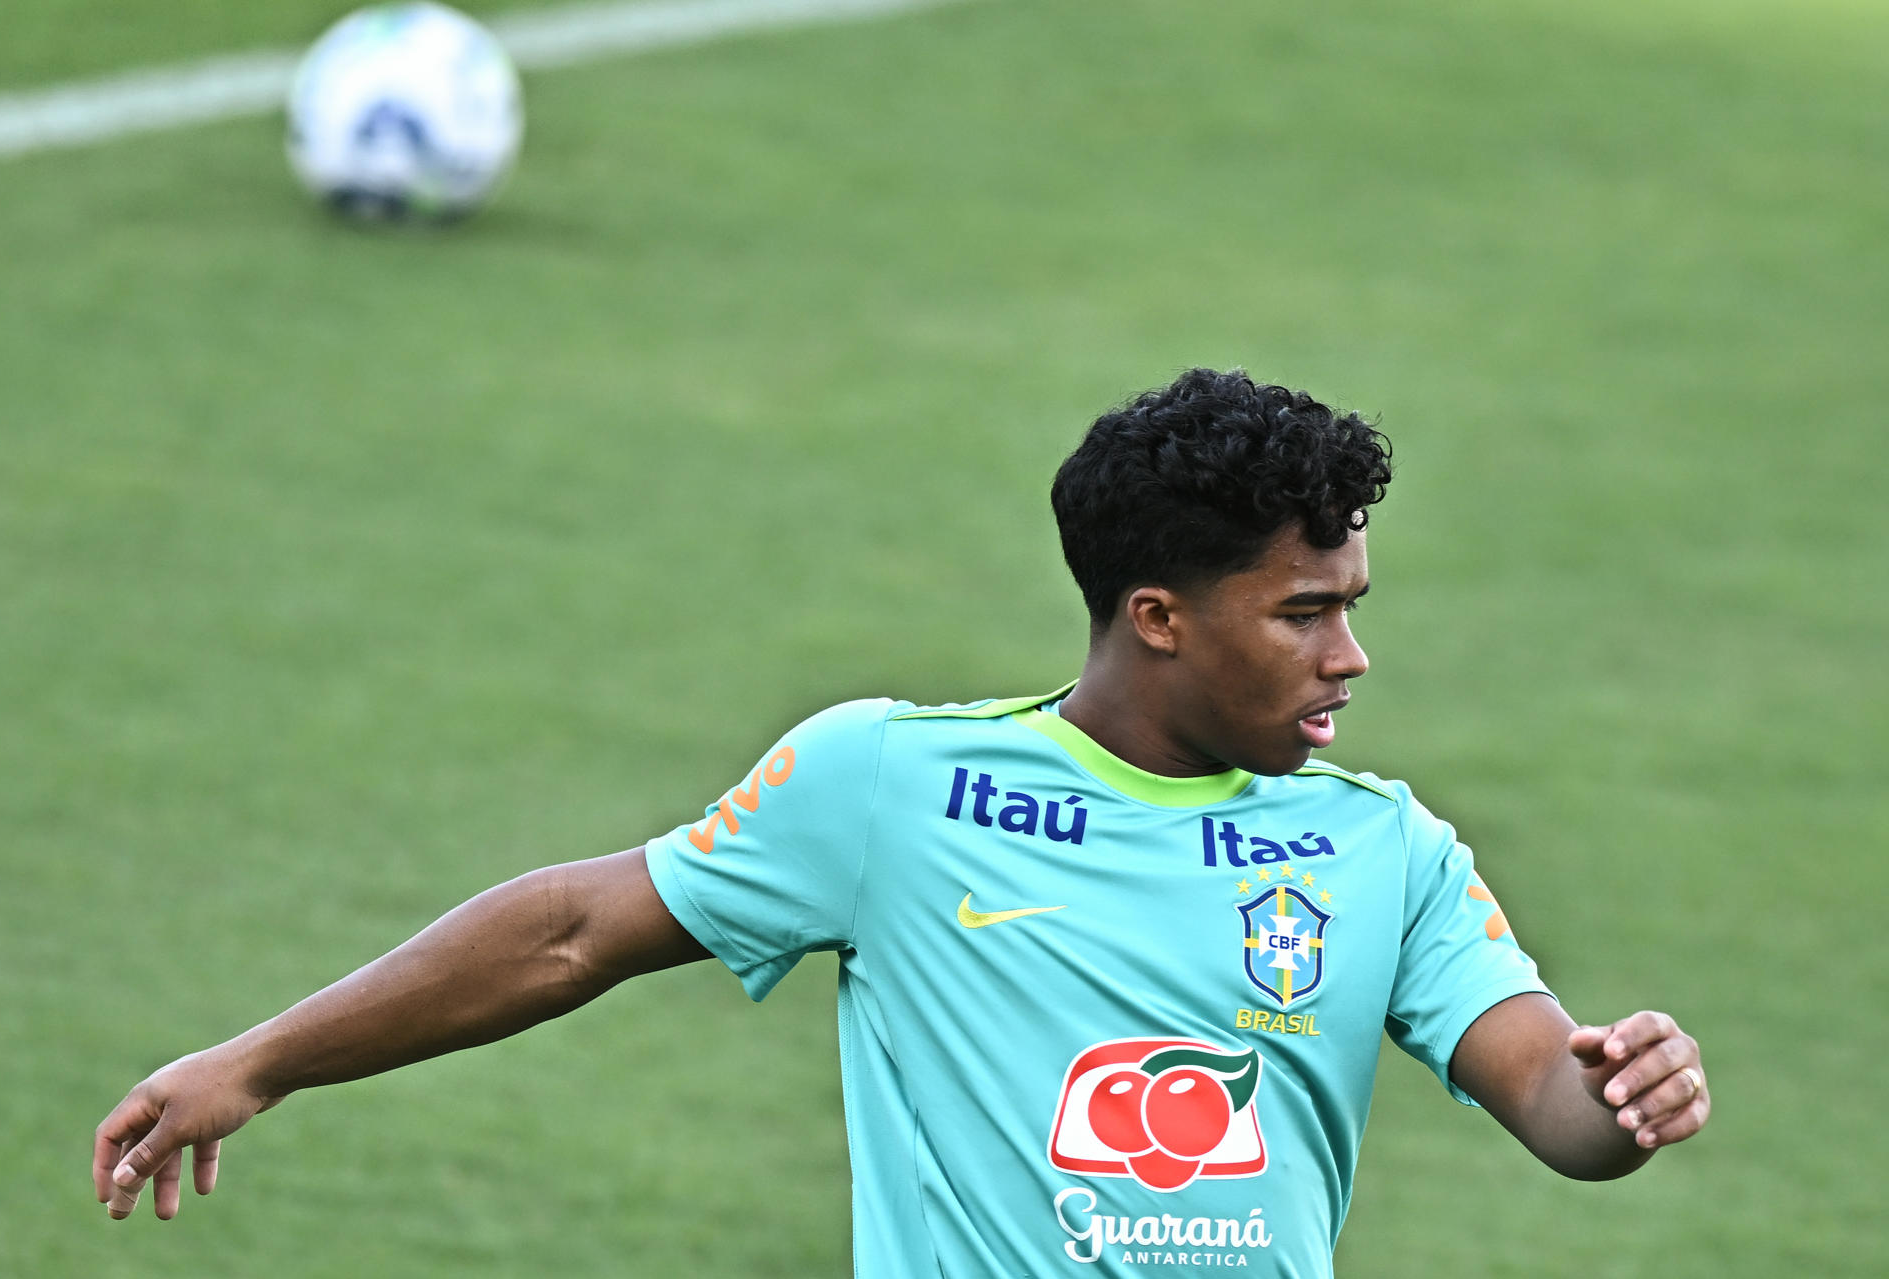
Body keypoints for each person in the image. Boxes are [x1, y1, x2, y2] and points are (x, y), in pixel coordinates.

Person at [94, 368, 1710, 1275]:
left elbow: (1549, 1104)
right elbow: (577, 929)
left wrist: (1616, 1099)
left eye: (1352, 606)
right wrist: (260, 1059)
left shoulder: (1386, 851)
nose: (1350, 656)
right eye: (1303, 613)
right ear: (1155, 615)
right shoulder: (893, 786)